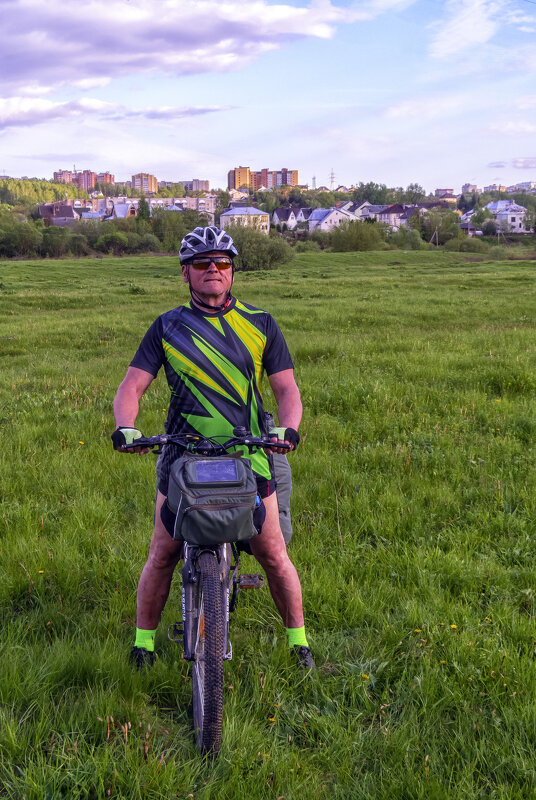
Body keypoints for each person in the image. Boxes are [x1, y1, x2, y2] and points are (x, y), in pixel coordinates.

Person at [111, 226, 314, 671]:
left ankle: (299, 644)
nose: (213, 270)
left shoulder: (260, 323)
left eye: (222, 263)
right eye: (202, 263)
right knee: (163, 552)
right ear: (186, 272)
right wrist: (126, 426)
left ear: (233, 271)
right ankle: (143, 644)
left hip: (250, 453)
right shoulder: (166, 326)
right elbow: (132, 386)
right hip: (183, 453)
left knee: (274, 554)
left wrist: (288, 429)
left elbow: (287, 389)